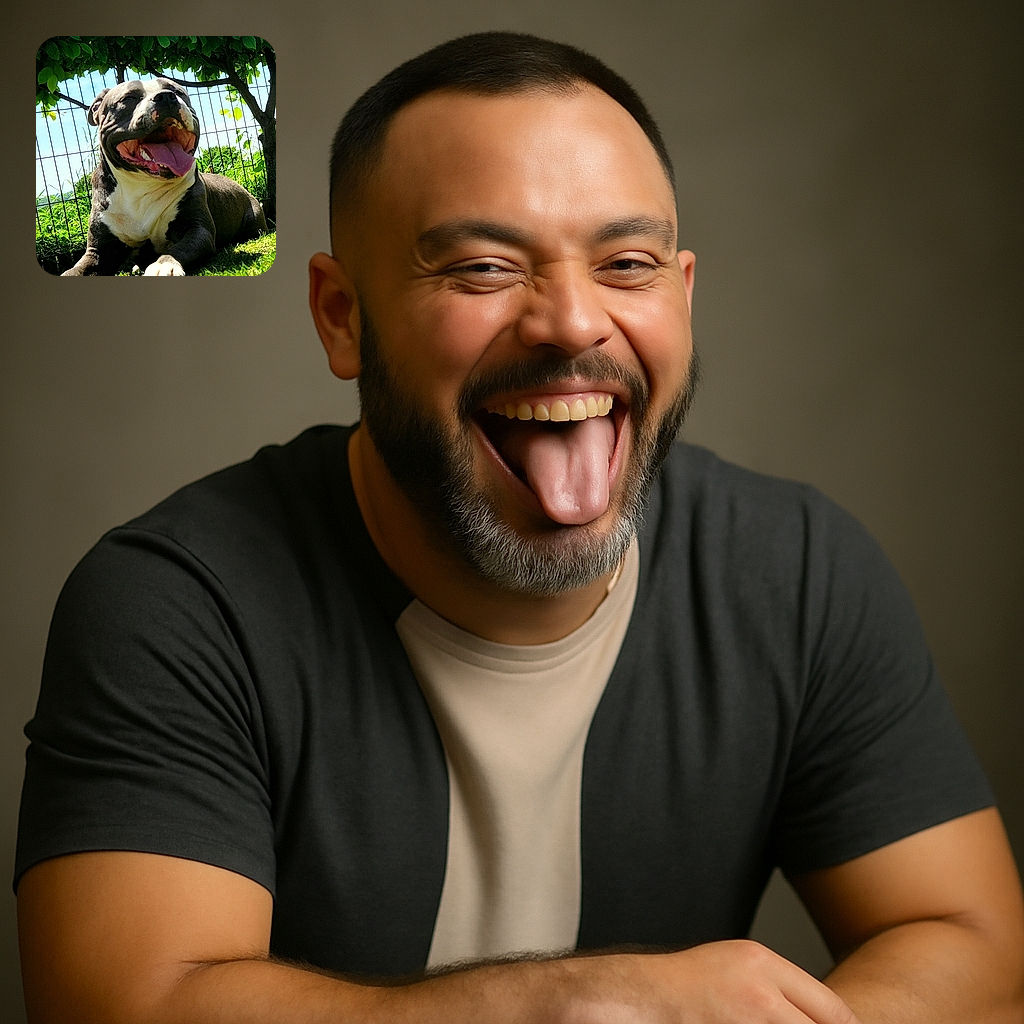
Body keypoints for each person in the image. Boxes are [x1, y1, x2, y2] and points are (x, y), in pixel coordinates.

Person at [15, 31, 1024, 1024]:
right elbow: (131, 1002)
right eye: (485, 268)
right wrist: (579, 1001)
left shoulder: (794, 572)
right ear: (341, 317)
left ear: (681, 298)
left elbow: (973, 949)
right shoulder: (178, 603)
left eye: (626, 262)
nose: (573, 323)